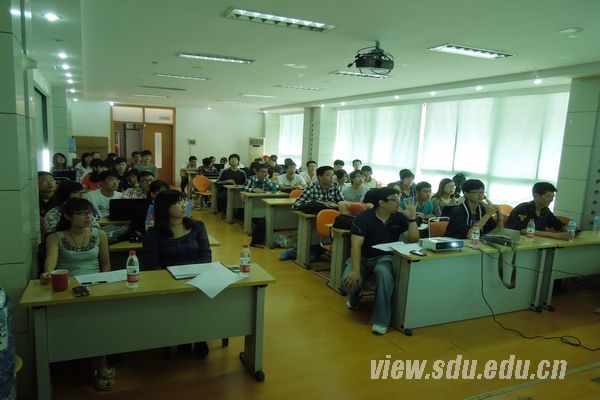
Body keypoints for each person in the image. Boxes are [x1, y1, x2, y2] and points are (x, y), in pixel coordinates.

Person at [41, 197, 114, 390]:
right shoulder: (55, 238)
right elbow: (50, 263)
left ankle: (101, 362)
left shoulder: (100, 235)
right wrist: (48, 273)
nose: (87, 217)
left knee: (100, 322)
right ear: (67, 216)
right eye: (81, 214)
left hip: (96, 285)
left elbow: (106, 264)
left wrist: (103, 283)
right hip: (68, 288)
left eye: (89, 213)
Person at [142, 190, 211, 358]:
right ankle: (182, 336)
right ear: (165, 207)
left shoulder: (197, 226)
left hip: (196, 279)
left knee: (200, 301)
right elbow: (151, 264)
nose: (184, 205)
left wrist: (199, 274)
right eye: (178, 203)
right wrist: (169, 282)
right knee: (180, 303)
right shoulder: (154, 233)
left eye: (185, 201)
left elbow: (206, 254)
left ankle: (200, 337)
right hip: (168, 282)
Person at [343, 187, 419, 335]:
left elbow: (413, 239)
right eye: (394, 200)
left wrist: (411, 218)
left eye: (398, 199)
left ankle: (381, 320)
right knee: (348, 283)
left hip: (384, 257)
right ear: (382, 203)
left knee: (384, 273)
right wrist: (355, 270)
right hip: (363, 257)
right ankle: (354, 296)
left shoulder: (398, 217)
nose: (398, 202)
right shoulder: (363, 218)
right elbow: (356, 245)